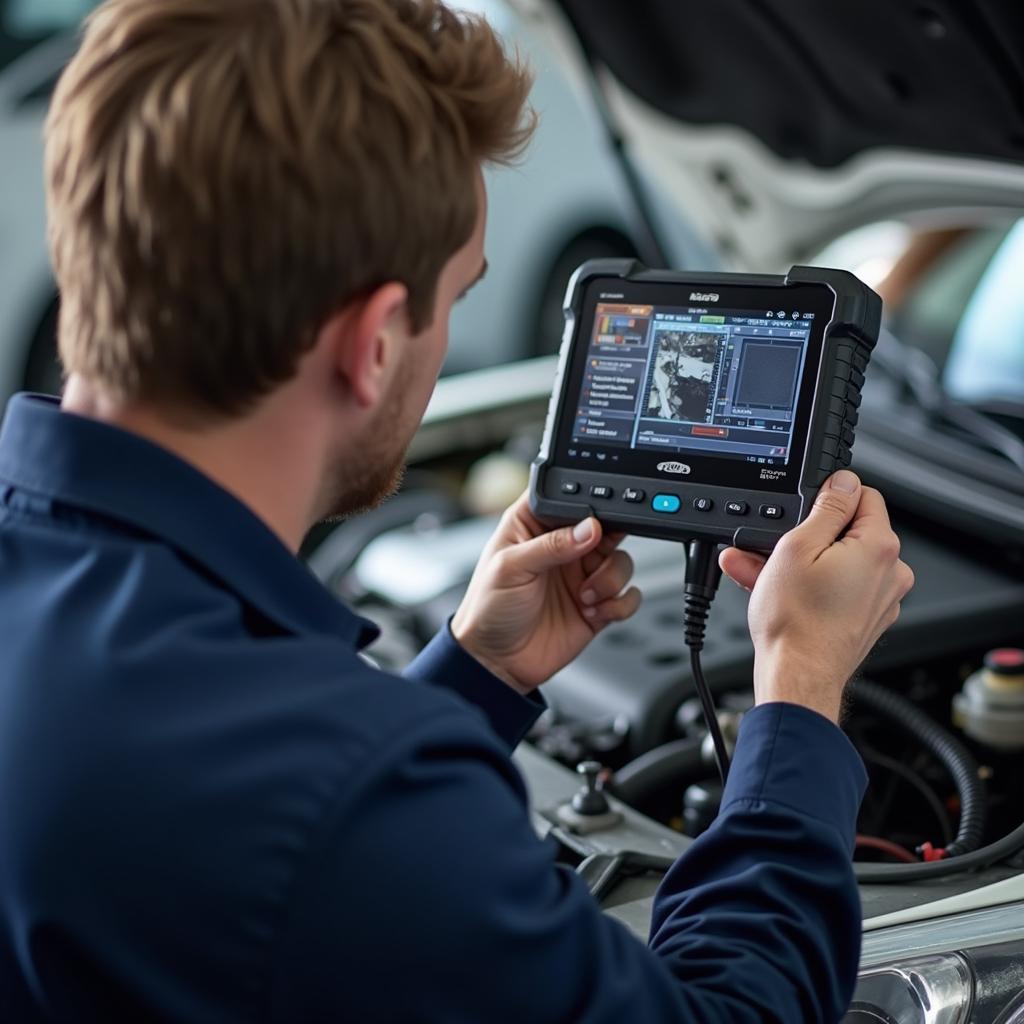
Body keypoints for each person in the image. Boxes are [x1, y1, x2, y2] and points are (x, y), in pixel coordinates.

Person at [0, 0, 914, 1020]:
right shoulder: (338, 793)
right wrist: (797, 692)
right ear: (377, 339)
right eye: (460, 294)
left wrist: (475, 674)